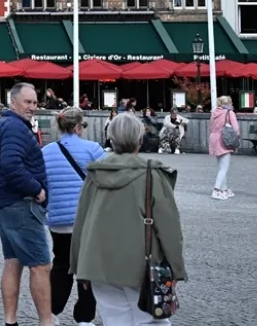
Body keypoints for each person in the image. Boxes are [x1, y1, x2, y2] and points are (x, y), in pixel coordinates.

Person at [71, 113, 186, 325]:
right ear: (140, 139)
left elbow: (81, 223)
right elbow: (169, 228)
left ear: (111, 138)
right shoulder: (152, 174)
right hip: (142, 265)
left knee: (115, 320)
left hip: (98, 263)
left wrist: (79, 267)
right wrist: (176, 269)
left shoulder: (94, 175)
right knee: (153, 321)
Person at [0, 82, 53, 326]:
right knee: (41, 265)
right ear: (13, 102)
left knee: (13, 262)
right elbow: (11, 165)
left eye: (35, 102)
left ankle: (10, 321)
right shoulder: (14, 127)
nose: (33, 107)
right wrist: (37, 189)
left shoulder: (2, 125)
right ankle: (47, 323)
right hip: (20, 205)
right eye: (28, 102)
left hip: (4, 203)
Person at [41, 108, 104, 326]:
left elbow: (42, 184)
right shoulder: (93, 149)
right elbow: (107, 180)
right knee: (88, 269)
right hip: (87, 220)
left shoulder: (46, 152)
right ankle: (85, 318)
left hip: (58, 221)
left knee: (61, 266)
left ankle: (50, 312)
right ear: (78, 127)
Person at [207, 95, 239, 200]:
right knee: (224, 168)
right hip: (224, 139)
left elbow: (211, 127)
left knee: (221, 167)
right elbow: (236, 129)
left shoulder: (214, 113)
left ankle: (224, 190)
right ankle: (216, 190)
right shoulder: (230, 113)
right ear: (228, 103)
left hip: (214, 138)